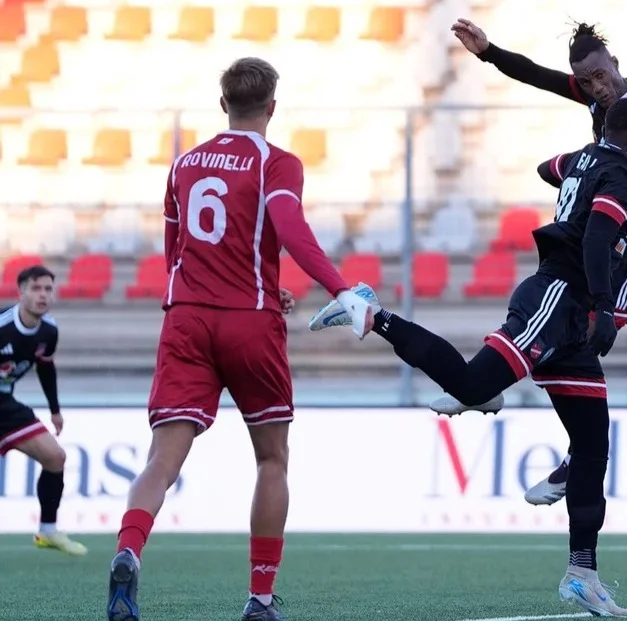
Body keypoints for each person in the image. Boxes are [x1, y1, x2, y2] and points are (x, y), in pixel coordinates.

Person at [309, 97, 627, 618]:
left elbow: (548, 168)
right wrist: (606, 305)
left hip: (569, 314)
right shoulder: (625, 174)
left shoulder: (583, 158)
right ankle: (372, 311)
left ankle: (582, 574)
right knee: (471, 385)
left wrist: (577, 182)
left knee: (591, 443)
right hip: (558, 299)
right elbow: (601, 236)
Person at [106, 57, 374, 621]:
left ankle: (129, 548)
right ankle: (259, 598)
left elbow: (176, 251)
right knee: (272, 459)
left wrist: (243, 284)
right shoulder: (276, 163)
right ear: (272, 107)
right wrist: (339, 288)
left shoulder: (183, 164)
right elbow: (290, 228)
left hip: (187, 319)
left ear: (222, 103)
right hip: (249, 323)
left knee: (162, 460)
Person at [446, 19, 627, 506]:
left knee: (585, 333)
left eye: (601, 76)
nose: (596, 88)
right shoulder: (601, 102)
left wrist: (586, 175)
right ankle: (506, 396)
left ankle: (556, 441)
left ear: (616, 65)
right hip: (603, 244)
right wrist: (490, 52)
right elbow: (539, 75)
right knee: (574, 334)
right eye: (587, 82)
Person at [0, 265, 87, 556]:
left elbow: (45, 367)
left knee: (55, 457)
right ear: (21, 292)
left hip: (6, 406)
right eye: (36, 288)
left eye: (48, 289)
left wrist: (55, 411)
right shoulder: (3, 327)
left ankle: (48, 530)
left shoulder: (49, 331)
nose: (43, 295)